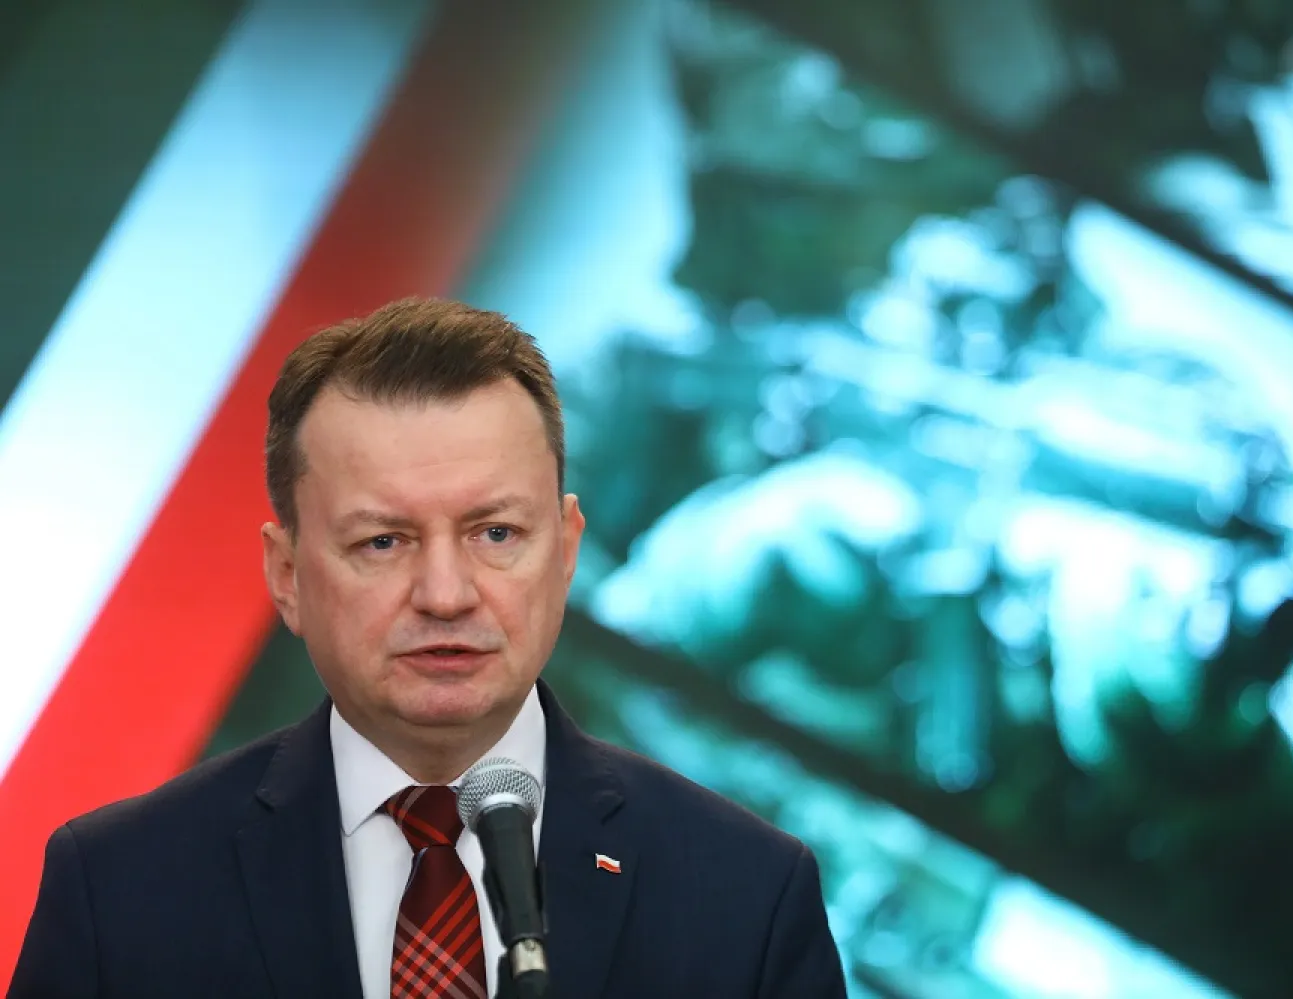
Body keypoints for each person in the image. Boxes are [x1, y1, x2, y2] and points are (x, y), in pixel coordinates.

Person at [9, 298, 848, 999]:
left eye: (495, 532)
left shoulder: (746, 894)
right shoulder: (119, 889)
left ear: (564, 552)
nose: (446, 593)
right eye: (383, 541)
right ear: (289, 573)